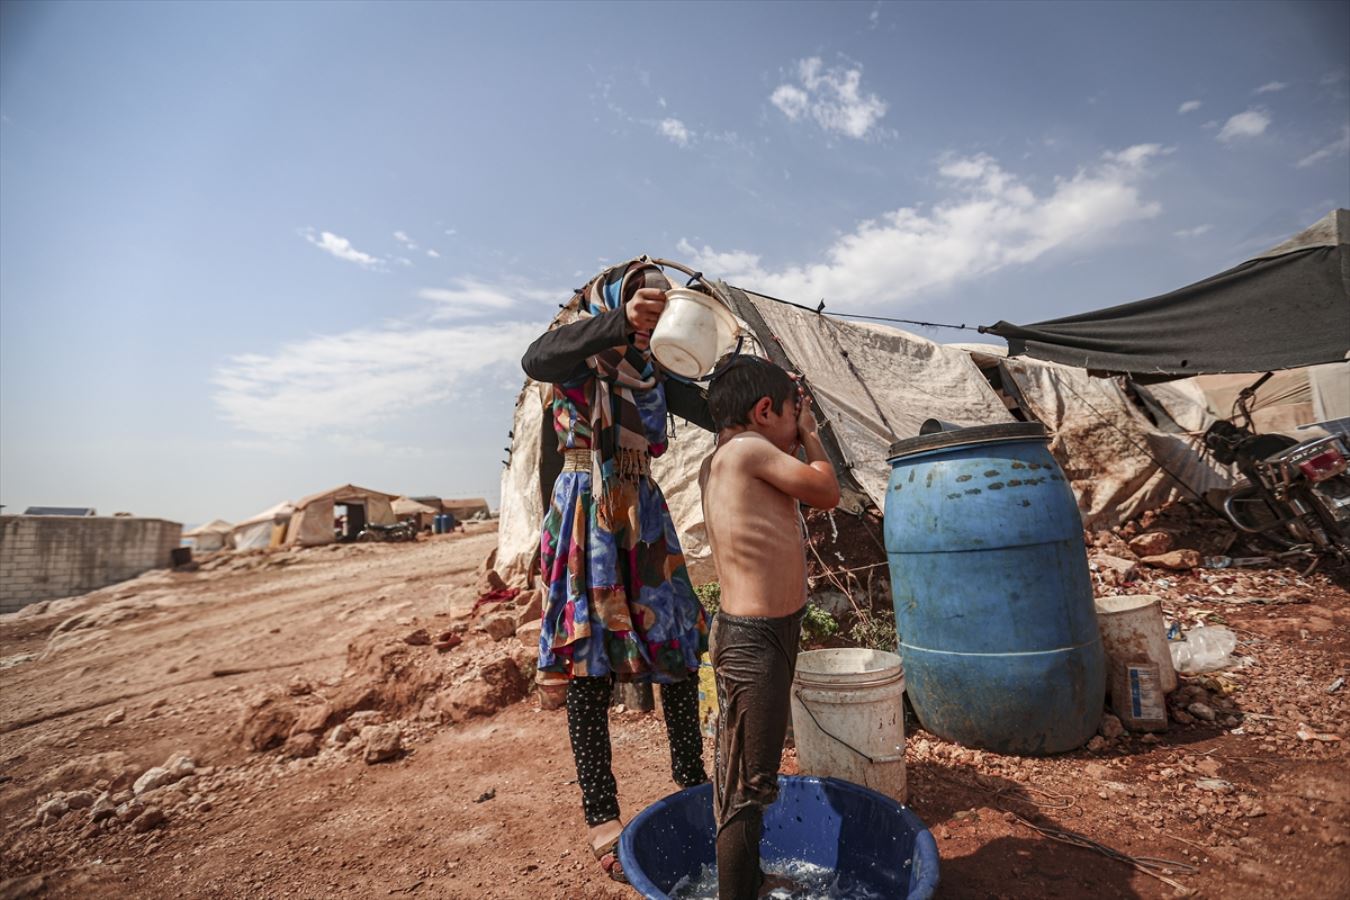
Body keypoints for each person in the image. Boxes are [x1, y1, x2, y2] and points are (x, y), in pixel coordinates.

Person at [521, 257, 714, 884]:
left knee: (677, 650)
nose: (652, 308)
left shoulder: (656, 368)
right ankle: (602, 814)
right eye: (641, 298)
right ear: (616, 302)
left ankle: (694, 783)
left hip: (643, 515)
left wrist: (763, 384)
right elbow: (535, 359)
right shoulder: (577, 357)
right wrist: (614, 322)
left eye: (661, 300)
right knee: (589, 666)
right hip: (585, 512)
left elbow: (715, 408)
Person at [698, 356, 840, 900]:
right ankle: (736, 893)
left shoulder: (723, 460)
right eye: (789, 414)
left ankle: (749, 880)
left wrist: (791, 428)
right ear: (764, 411)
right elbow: (825, 491)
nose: (795, 429)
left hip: (761, 635)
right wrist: (810, 437)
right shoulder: (751, 451)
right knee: (745, 784)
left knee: (748, 773)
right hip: (753, 641)